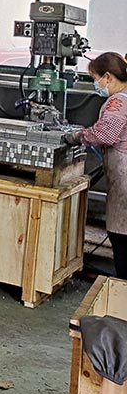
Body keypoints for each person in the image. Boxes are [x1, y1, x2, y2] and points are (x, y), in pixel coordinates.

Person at [64, 52, 127, 277]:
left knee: (121, 237)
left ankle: (121, 290)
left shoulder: (119, 101)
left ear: (108, 77)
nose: (95, 84)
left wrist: (77, 136)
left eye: (95, 79)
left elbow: (105, 134)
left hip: (124, 180)